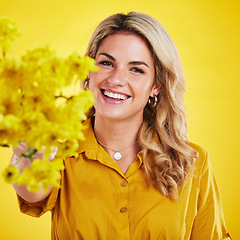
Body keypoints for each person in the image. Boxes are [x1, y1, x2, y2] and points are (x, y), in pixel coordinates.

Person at [11, 12, 231, 239]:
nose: (115, 79)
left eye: (136, 69)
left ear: (156, 85)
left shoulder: (193, 163)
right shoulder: (59, 154)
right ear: (88, 71)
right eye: (106, 63)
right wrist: (27, 160)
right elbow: (32, 191)